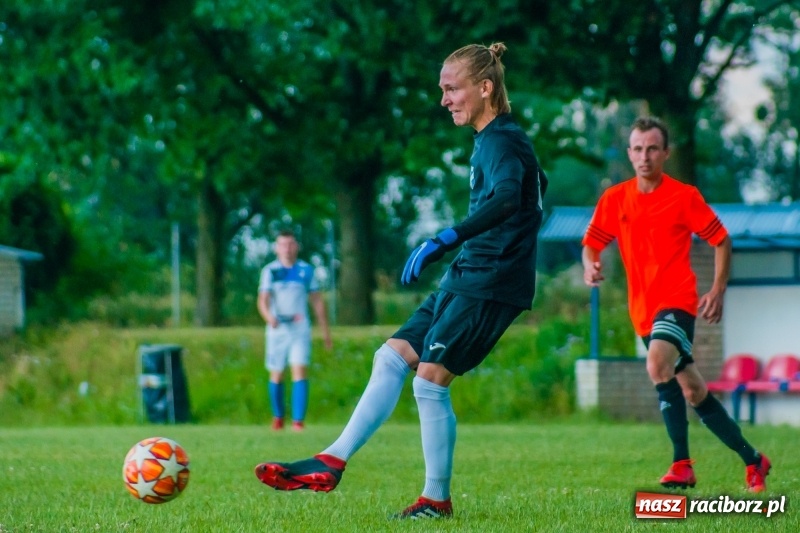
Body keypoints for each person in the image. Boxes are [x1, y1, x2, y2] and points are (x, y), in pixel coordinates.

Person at [254, 42, 547, 519]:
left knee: (429, 384)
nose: (444, 100)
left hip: (490, 283)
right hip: (467, 275)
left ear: (485, 88)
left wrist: (447, 236)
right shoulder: (496, 140)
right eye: (443, 90)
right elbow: (534, 190)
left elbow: (511, 197)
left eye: (452, 89)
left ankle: (436, 500)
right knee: (390, 358)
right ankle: (331, 460)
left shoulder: (502, 139)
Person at [581, 116, 771, 492]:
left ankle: (681, 464)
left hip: (677, 302)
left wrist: (717, 289)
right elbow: (592, 243)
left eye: (652, 148)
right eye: (637, 149)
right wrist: (590, 265)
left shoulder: (684, 197)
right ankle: (754, 460)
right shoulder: (615, 198)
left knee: (656, 364)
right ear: (630, 153)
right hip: (642, 312)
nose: (644, 156)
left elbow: (721, 239)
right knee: (694, 392)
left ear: (666, 153)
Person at [257, 229, 332, 431]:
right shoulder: (270, 271)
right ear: (276, 248)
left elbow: (317, 301)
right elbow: (262, 300)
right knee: (277, 373)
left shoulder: (306, 270)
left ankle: (298, 421)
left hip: (300, 329)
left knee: (299, 370)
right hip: (277, 331)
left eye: (290, 244)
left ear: (296, 246)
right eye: (283, 244)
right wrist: (269, 317)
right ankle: (278, 417)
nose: (287, 249)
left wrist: (325, 332)